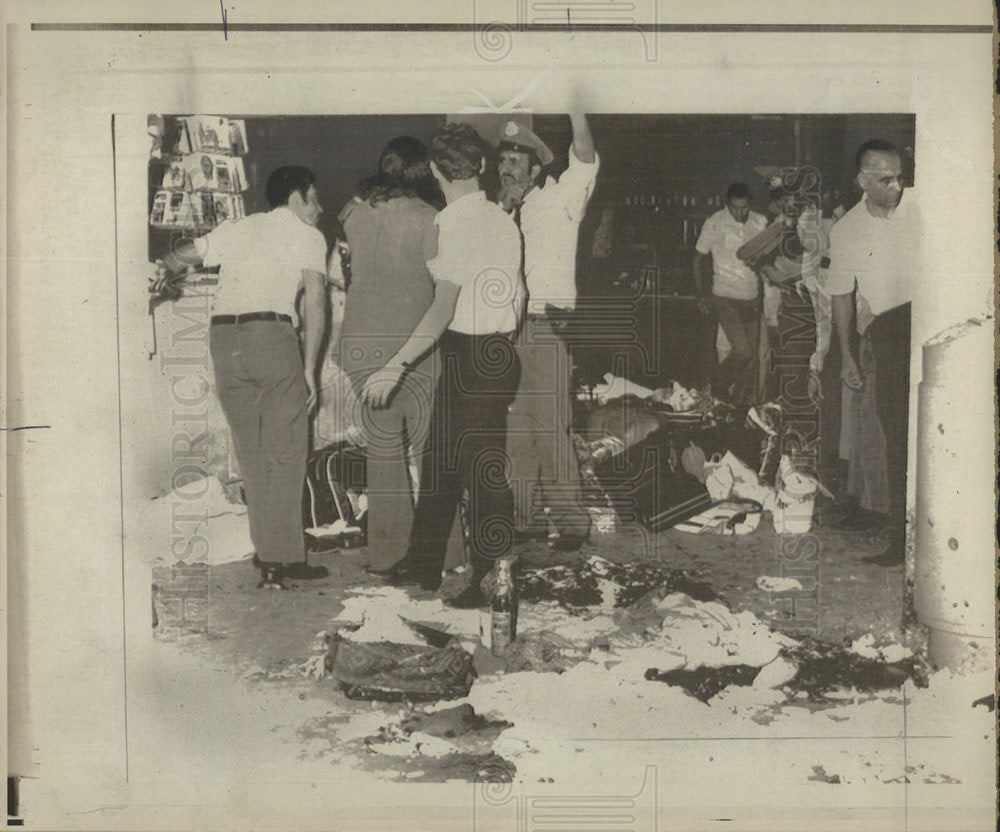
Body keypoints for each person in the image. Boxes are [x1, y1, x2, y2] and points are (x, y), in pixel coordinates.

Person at [360, 122, 523, 608]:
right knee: (444, 463)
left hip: (469, 351)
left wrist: (395, 366)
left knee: (478, 473)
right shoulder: (501, 219)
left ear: (433, 171)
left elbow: (442, 307)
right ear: (484, 166)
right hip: (491, 350)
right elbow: (519, 293)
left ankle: (492, 580)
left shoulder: (452, 224)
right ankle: (425, 564)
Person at [153, 166, 329, 587]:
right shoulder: (308, 235)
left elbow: (178, 257)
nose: (319, 209)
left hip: (224, 339)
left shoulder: (237, 227)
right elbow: (317, 305)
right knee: (286, 451)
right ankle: (285, 559)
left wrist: (166, 279)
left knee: (251, 454)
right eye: (314, 198)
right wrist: (309, 370)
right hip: (270, 335)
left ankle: (266, 555)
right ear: (295, 198)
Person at [336, 136, 443, 573]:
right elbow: (443, 290)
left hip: (363, 349)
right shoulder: (431, 219)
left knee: (383, 455)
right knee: (430, 455)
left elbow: (344, 213)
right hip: (413, 350)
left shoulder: (355, 216)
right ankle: (445, 554)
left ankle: (387, 553)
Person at [497, 110, 599, 551]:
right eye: (503, 162)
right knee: (516, 428)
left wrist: (576, 109)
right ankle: (525, 518)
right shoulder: (501, 212)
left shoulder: (561, 198)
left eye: (515, 163)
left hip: (548, 326)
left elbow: (585, 158)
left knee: (552, 427)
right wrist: (503, 209)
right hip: (510, 330)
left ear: (536, 169)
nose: (507, 170)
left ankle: (572, 523)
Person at [827, 139, 920, 565]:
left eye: (901, 177)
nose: (897, 186)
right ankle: (902, 542)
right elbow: (842, 298)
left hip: (929, 319)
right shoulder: (846, 230)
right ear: (861, 181)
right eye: (886, 179)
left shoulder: (919, 208)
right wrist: (847, 356)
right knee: (897, 438)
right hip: (888, 330)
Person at [693, 183, 768, 407]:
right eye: (735, 208)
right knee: (742, 351)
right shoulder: (714, 223)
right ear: (728, 205)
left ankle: (736, 409)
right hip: (724, 296)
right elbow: (697, 259)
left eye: (744, 208)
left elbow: (766, 257)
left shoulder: (760, 221)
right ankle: (713, 386)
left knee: (752, 360)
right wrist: (701, 294)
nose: (740, 213)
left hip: (752, 297)